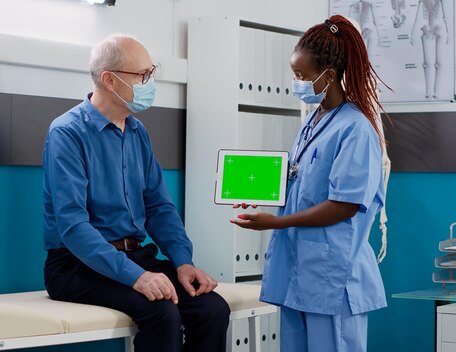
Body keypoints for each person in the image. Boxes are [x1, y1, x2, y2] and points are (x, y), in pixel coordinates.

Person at [42, 34, 230, 352]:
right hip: (75, 265)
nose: (150, 82)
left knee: (211, 308)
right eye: (142, 75)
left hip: (134, 255)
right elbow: (73, 227)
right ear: (109, 80)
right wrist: (136, 277)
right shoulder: (67, 133)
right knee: (162, 314)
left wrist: (183, 262)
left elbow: (158, 206)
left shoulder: (137, 131)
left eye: (151, 72)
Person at [231, 15, 387, 352]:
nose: (296, 83)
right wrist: (257, 192)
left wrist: (277, 222)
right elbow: (300, 178)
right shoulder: (314, 122)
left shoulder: (356, 130)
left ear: (328, 76)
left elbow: (344, 205)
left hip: (332, 278)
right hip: (298, 274)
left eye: (301, 76)